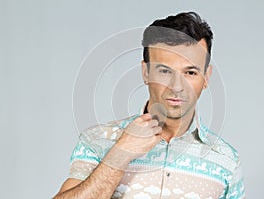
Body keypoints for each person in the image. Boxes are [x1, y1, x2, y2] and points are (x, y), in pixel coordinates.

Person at [54, 12, 245, 199]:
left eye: (190, 73)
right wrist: (119, 155)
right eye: (164, 71)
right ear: (146, 72)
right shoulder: (98, 141)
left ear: (206, 77)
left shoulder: (226, 160)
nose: (177, 87)